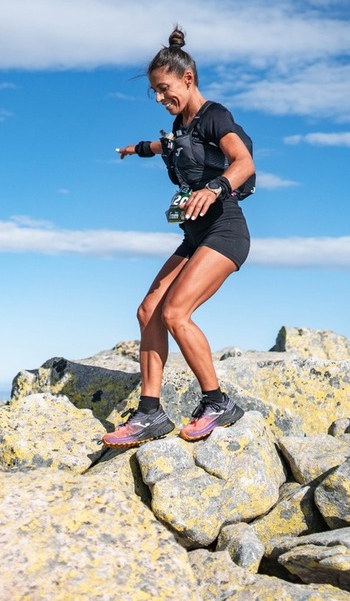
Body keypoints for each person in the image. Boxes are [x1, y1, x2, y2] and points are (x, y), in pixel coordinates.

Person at [102, 26, 255, 449]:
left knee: (175, 312)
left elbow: (243, 161)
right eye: (153, 91)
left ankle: (218, 402)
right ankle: (150, 413)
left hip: (225, 229)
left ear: (187, 79)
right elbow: (163, 145)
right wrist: (134, 150)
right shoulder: (179, 124)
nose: (159, 97)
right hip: (194, 236)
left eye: (163, 88)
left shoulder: (215, 115)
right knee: (148, 309)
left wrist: (215, 188)